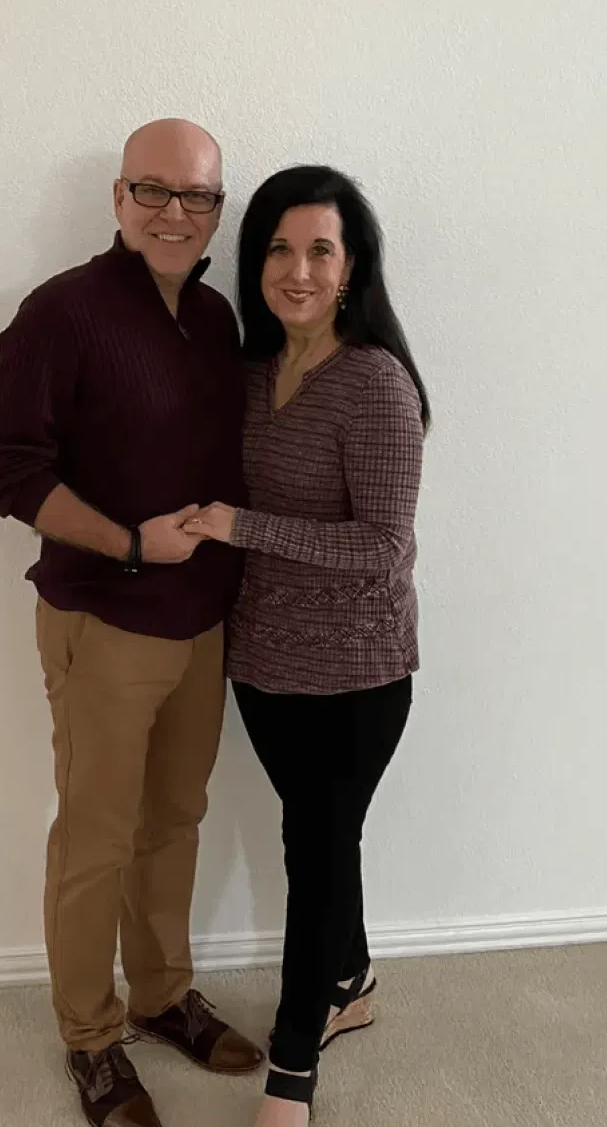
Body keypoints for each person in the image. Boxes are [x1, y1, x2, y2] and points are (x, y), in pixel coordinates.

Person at [0, 119, 264, 1127]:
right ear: (119, 198)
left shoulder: (219, 319)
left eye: (199, 196)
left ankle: (164, 995)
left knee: (174, 822)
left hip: (202, 619)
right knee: (96, 836)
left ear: (219, 207)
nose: (178, 214)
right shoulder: (63, 314)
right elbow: (4, 466)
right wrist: (129, 545)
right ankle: (91, 1039)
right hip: (104, 617)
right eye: (156, 191)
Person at [184, 166, 430, 1127]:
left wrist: (241, 527)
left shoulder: (372, 382)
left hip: (357, 673)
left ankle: (293, 1066)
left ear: (351, 264)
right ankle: (353, 978)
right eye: (278, 249)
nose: (296, 269)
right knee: (325, 838)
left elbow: (382, 548)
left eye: (318, 249)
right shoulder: (248, 373)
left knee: (313, 848)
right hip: (264, 664)